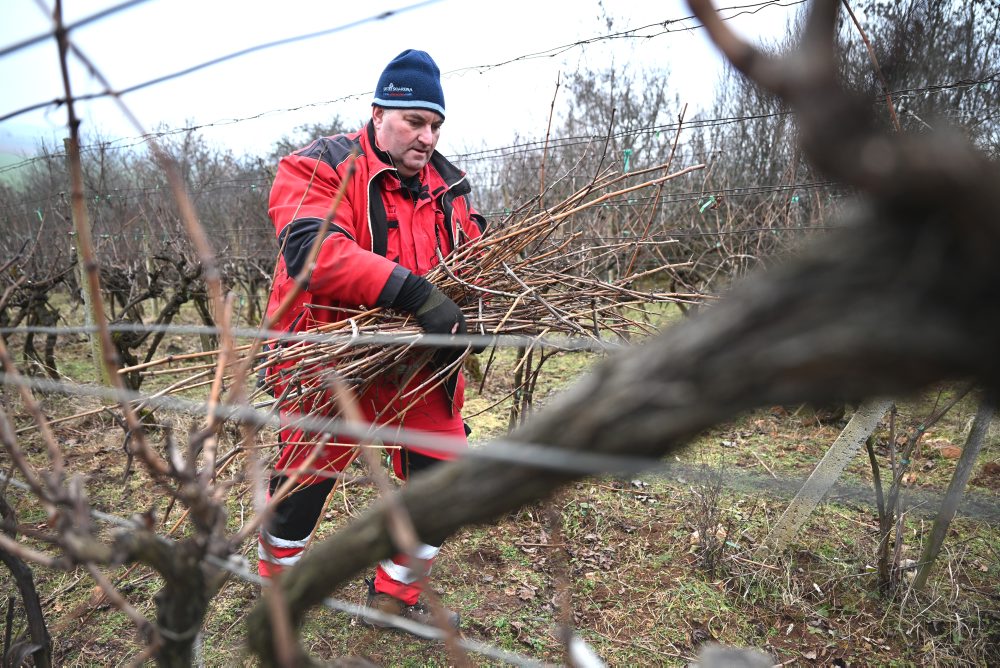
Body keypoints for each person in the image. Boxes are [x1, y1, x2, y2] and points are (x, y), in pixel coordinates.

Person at [257, 49, 485, 628]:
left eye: (436, 125)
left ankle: (393, 597)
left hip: (416, 364)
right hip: (330, 355)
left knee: (445, 479)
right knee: (305, 482)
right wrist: (418, 295)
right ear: (379, 113)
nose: (427, 137)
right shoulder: (320, 166)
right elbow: (313, 254)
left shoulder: (450, 186)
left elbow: (473, 264)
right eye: (415, 121)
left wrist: (476, 317)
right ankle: (280, 595)